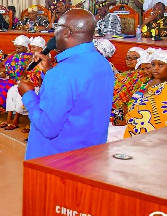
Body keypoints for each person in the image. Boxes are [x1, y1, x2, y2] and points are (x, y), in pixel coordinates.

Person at [17, 9, 114, 160]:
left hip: (57, 160)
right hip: (92, 155)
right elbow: (79, 100)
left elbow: (48, 127)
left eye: (57, 27)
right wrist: (48, 72)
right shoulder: (103, 64)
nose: (54, 32)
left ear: (67, 33)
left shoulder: (63, 72)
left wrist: (28, 95)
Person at [4, 36, 46, 132]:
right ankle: (8, 119)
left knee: (21, 95)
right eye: (31, 47)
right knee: (12, 91)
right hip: (29, 83)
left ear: (40, 48)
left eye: (34, 47)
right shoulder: (32, 59)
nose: (31, 49)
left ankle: (15, 120)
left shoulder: (45, 60)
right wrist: (23, 79)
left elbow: (42, 78)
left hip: (36, 86)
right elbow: (25, 73)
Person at [124, 49, 167, 138]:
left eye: (160, 65)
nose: (155, 68)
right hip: (136, 126)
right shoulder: (148, 84)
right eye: (153, 64)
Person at [111, 48, 150, 126]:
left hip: (123, 111)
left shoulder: (142, 77)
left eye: (134, 57)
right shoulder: (125, 74)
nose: (130, 60)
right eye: (128, 57)